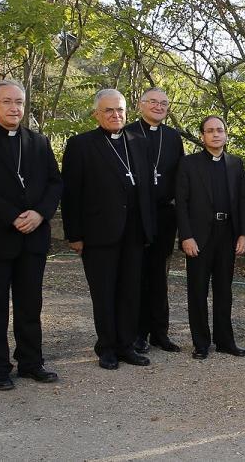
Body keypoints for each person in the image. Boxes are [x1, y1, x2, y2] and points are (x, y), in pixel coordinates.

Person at [0, 79, 63, 390]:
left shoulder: (39, 142)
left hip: (33, 237)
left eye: (19, 101)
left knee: (30, 303)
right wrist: (12, 216)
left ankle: (31, 362)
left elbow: (55, 183)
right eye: (7, 101)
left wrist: (40, 213)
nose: (14, 107)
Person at [62, 89, 156, 370]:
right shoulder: (80, 145)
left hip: (134, 232)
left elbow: (147, 191)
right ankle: (106, 348)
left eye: (120, 110)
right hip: (98, 233)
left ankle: (126, 345)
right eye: (109, 111)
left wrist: (149, 230)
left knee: (130, 291)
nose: (116, 115)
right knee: (104, 293)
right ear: (96, 114)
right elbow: (71, 193)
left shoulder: (138, 142)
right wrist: (74, 235)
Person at [175, 116, 245, 360]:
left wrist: (243, 233)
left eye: (220, 130)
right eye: (210, 131)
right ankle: (201, 343)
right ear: (202, 136)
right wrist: (186, 236)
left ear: (226, 134)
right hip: (199, 237)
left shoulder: (236, 164)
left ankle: (225, 341)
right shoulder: (188, 164)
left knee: (224, 291)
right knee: (197, 291)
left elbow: (242, 201)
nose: (215, 134)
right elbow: (182, 204)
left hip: (227, 234)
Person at [127, 88, 186, 354]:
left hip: (165, 214)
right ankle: (138, 332)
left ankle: (160, 332)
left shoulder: (173, 137)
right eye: (153, 102)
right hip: (136, 214)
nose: (158, 106)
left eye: (163, 103)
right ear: (140, 105)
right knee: (137, 273)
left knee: (159, 275)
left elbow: (181, 176)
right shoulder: (127, 133)